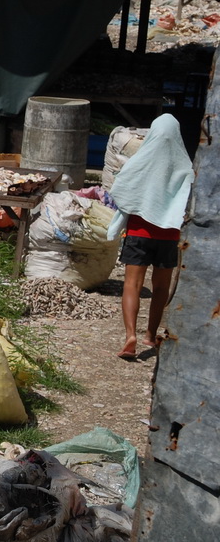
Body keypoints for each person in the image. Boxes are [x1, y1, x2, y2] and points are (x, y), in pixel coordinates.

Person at [105, 114, 194, 359]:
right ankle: (150, 333)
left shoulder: (140, 160)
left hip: (138, 233)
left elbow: (120, 187)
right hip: (169, 236)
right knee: (161, 287)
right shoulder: (185, 166)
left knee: (132, 285)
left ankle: (130, 335)